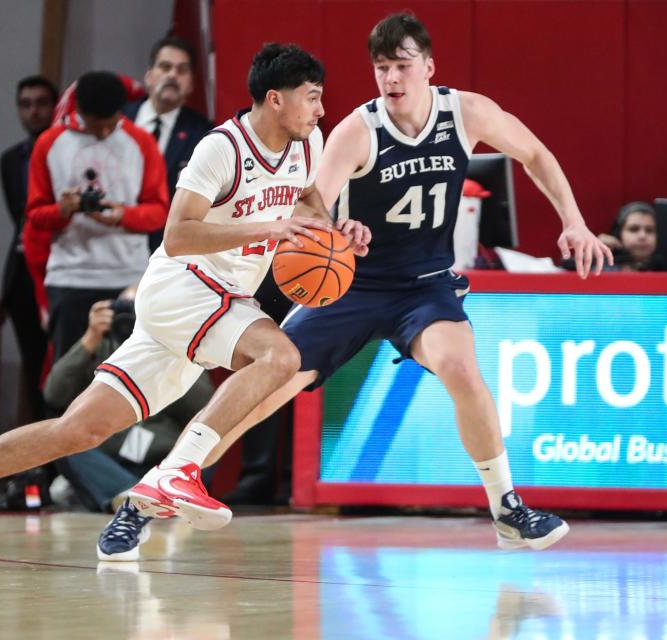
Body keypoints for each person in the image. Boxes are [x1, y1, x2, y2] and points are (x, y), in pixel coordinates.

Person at [131, 12, 614, 554]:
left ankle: (507, 508)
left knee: (461, 367)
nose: (391, 78)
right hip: (352, 284)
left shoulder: (467, 112)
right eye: (382, 67)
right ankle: (151, 492)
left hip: (424, 284)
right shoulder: (358, 130)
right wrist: (338, 228)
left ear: (429, 67)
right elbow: (311, 206)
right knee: (266, 392)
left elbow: (535, 154)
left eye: (402, 65)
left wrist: (573, 220)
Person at [0, 44, 365, 568]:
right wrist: (270, 227)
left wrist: (333, 231)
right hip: (185, 283)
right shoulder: (221, 148)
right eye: (312, 98)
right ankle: (178, 471)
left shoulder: (307, 143)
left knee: (77, 430)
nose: (320, 110)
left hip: (213, 302)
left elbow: (308, 197)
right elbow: (177, 235)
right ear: (275, 99)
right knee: (281, 357)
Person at [26, 71, 168, 359]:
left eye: (111, 124)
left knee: (130, 376)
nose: (105, 133)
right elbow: (35, 215)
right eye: (96, 126)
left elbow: (160, 213)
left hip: (128, 277)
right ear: (79, 112)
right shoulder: (49, 144)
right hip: (70, 278)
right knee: (68, 378)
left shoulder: (141, 143)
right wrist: (63, 210)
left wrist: (123, 215)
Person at [43, 296, 214, 513]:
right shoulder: (99, 346)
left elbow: (205, 406)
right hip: (107, 460)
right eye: (125, 309)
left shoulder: (174, 347)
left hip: (159, 459)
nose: (132, 318)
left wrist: (173, 350)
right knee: (64, 437)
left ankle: (143, 495)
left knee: (206, 436)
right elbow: (53, 395)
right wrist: (90, 338)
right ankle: (130, 495)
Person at [0, 76, 58, 423]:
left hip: (60, 271)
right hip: (22, 271)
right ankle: (42, 466)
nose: (33, 111)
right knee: (34, 364)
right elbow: (19, 215)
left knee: (63, 366)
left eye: (40, 103)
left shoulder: (64, 151)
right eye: (25, 104)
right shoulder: (10, 160)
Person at [125, 36, 213, 251]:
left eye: (182, 70)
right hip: (111, 245)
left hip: (166, 249)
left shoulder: (204, 134)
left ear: (191, 83)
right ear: (149, 76)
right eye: (165, 67)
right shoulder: (118, 120)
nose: (173, 75)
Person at [596, 201, 662, 272]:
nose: (643, 236)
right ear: (618, 234)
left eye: (649, 230)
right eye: (634, 229)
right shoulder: (599, 268)